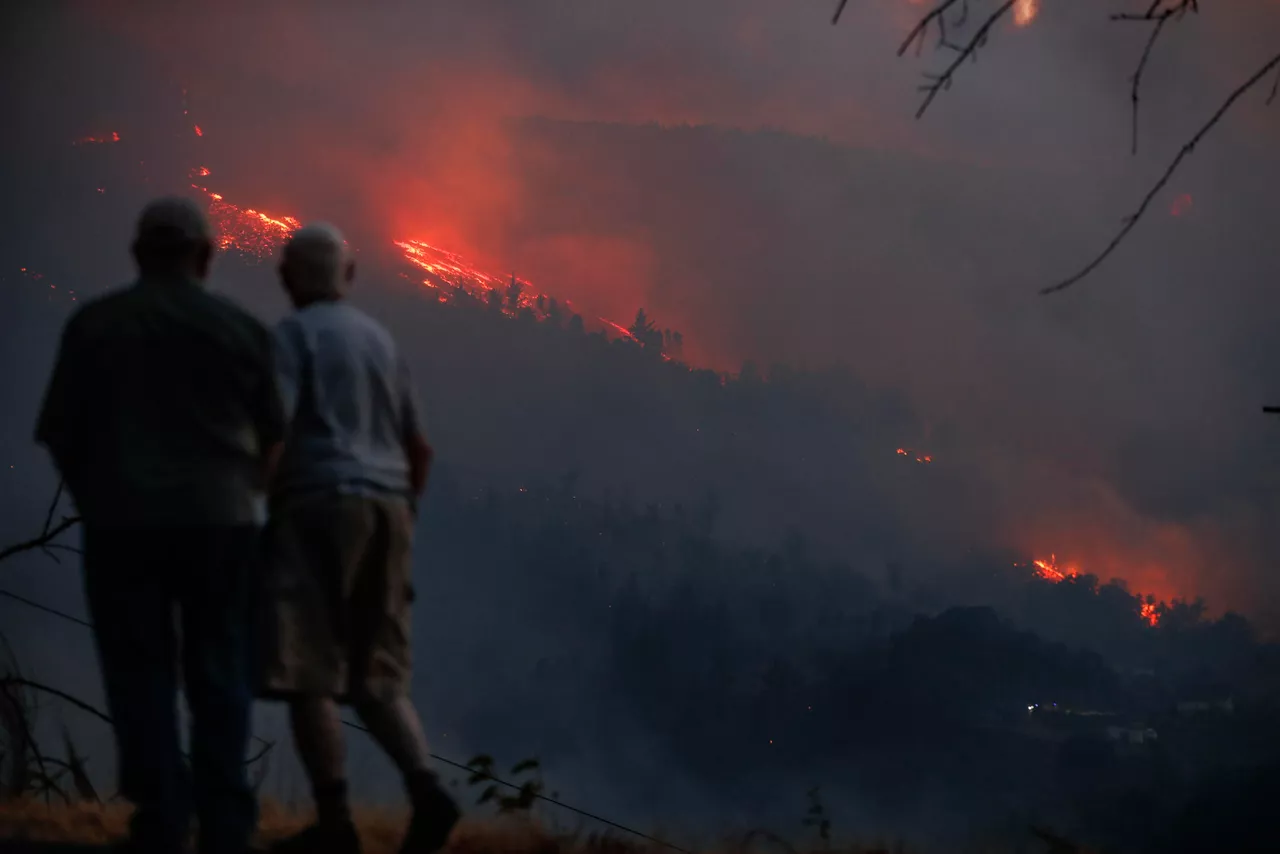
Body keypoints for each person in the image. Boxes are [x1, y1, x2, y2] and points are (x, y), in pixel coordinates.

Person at [34, 197, 285, 854]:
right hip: (222, 525)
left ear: (140, 253)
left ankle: (161, 817)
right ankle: (226, 820)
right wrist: (246, 495)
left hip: (125, 525)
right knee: (220, 666)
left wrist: (100, 494)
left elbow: (60, 431)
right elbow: (275, 438)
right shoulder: (240, 329)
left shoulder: (97, 325)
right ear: (206, 254)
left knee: (139, 668)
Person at [258, 223, 459, 854]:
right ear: (349, 275)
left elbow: (276, 434)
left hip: (319, 505)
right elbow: (420, 448)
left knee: (308, 668)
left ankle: (335, 823)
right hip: (389, 507)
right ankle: (427, 791)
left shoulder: (292, 336)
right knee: (379, 670)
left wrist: (256, 508)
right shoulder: (380, 340)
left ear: (290, 275)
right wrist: (401, 522)